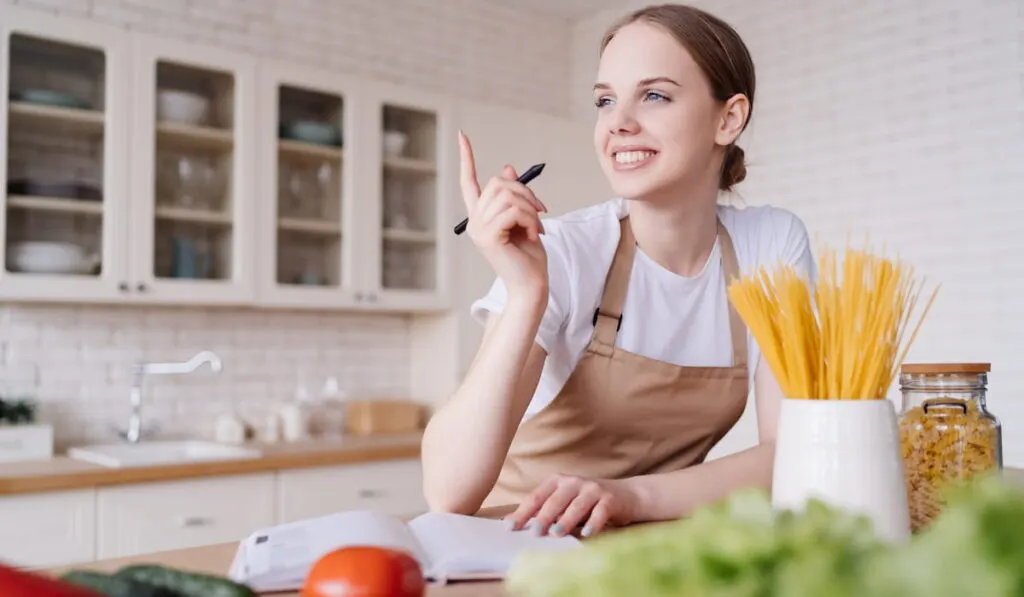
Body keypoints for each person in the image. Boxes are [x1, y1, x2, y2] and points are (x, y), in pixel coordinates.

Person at [420, 3, 815, 538]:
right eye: (605, 101)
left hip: (648, 544)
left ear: (729, 118)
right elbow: (447, 491)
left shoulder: (769, 245)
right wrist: (525, 291)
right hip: (515, 547)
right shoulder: (565, 250)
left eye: (653, 95)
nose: (619, 123)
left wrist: (630, 497)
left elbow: (791, 455)